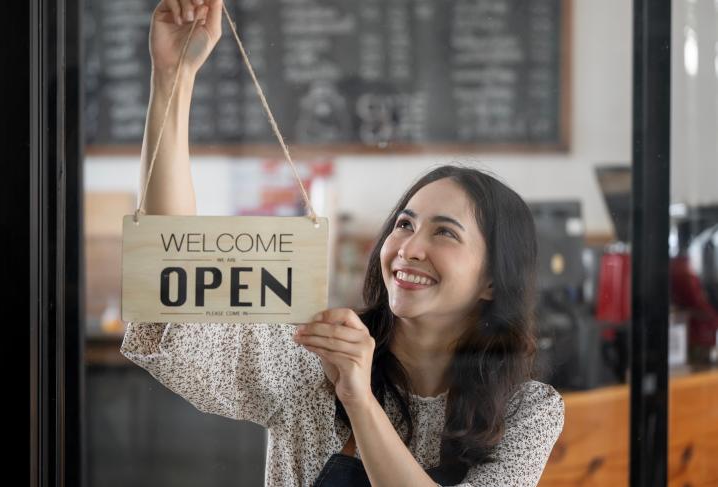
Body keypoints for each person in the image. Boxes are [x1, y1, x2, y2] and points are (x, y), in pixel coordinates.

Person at [121, 1, 565, 485]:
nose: (409, 248)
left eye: (444, 232)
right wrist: (172, 79)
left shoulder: (528, 411)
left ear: (493, 280)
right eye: (403, 224)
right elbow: (173, 289)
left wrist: (358, 397)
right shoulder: (314, 359)